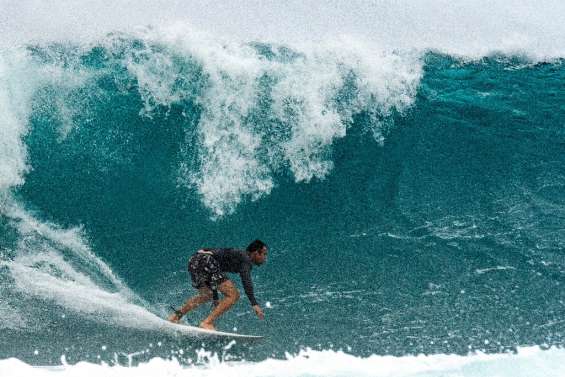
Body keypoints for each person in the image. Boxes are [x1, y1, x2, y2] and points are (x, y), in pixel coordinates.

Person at [168, 239, 268, 330]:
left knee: (207, 295)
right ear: (256, 253)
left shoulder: (238, 254)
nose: (265, 258)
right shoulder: (246, 259)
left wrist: (215, 296)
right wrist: (254, 303)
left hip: (194, 260)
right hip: (206, 261)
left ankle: (175, 316)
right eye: (264, 254)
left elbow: (214, 270)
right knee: (233, 295)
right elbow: (246, 281)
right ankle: (206, 323)